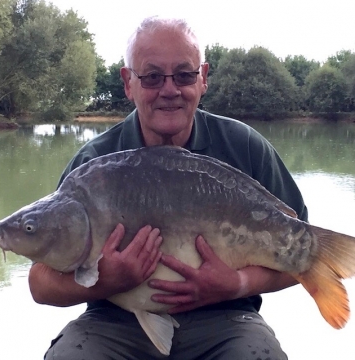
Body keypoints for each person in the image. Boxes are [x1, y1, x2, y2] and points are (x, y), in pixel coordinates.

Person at [29, 16, 308, 360]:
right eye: (152, 77)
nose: (170, 89)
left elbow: (305, 258)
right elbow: (40, 284)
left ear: (203, 78)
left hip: (226, 318)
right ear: (128, 82)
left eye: (184, 74)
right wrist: (107, 281)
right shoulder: (94, 163)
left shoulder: (245, 147)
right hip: (114, 320)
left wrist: (238, 285)